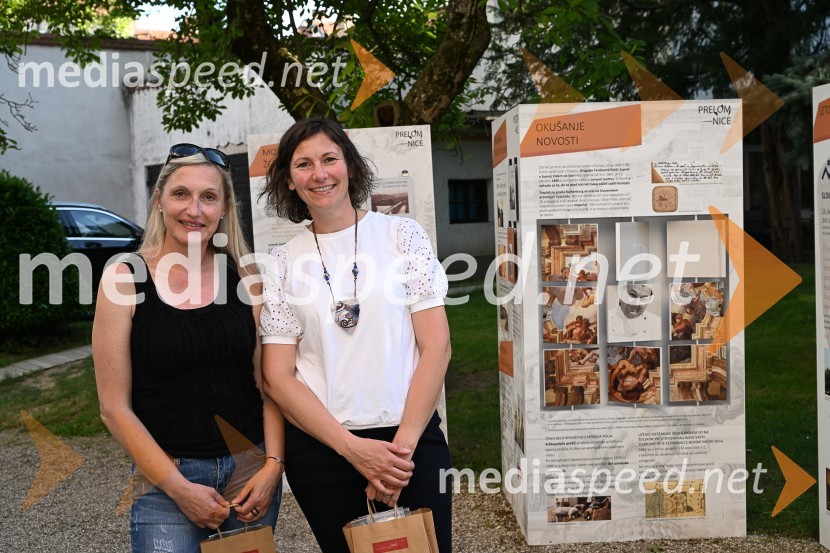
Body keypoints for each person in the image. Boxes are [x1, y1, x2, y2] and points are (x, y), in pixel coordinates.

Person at [258, 117, 452, 552]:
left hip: (411, 442)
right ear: (289, 181)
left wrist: (396, 456)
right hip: (325, 451)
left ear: (349, 165)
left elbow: (436, 345)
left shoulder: (402, 235)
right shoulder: (284, 262)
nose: (320, 174)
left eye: (330, 159)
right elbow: (278, 377)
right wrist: (354, 451)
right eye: (303, 165)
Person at [92, 144, 284, 552]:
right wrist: (179, 489)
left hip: (250, 475)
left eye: (208, 197)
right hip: (166, 479)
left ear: (224, 208)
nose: (193, 209)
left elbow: (268, 384)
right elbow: (113, 408)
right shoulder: (124, 280)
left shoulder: (246, 277)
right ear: (159, 200)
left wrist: (272, 466)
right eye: (181, 194)